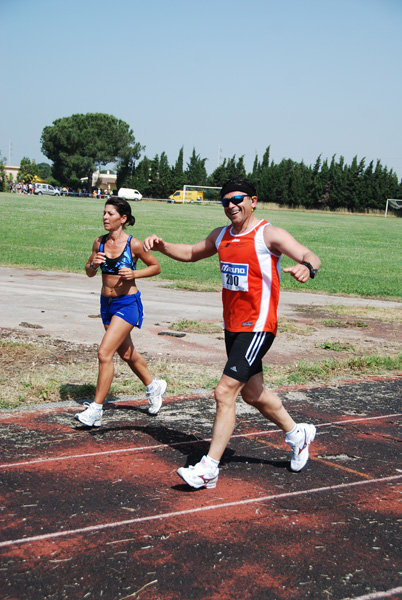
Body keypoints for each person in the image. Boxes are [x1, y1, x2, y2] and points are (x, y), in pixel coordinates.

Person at [143, 176, 321, 489]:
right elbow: (191, 252)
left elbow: (309, 254)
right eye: (226, 200)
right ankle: (298, 433)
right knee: (253, 394)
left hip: (259, 326)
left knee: (225, 391)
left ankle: (209, 469)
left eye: (238, 199)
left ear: (253, 201)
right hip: (233, 327)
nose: (232, 205)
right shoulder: (222, 235)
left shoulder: (269, 234)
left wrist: (308, 267)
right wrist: (163, 246)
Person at [75, 197, 167, 427]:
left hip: (127, 304)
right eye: (104, 213)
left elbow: (156, 267)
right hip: (106, 305)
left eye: (110, 214)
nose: (105, 217)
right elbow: (88, 272)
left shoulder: (133, 245)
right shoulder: (99, 242)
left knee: (105, 353)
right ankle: (153, 385)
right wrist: (93, 264)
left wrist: (134, 274)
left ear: (123, 218)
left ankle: (96, 410)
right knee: (126, 354)